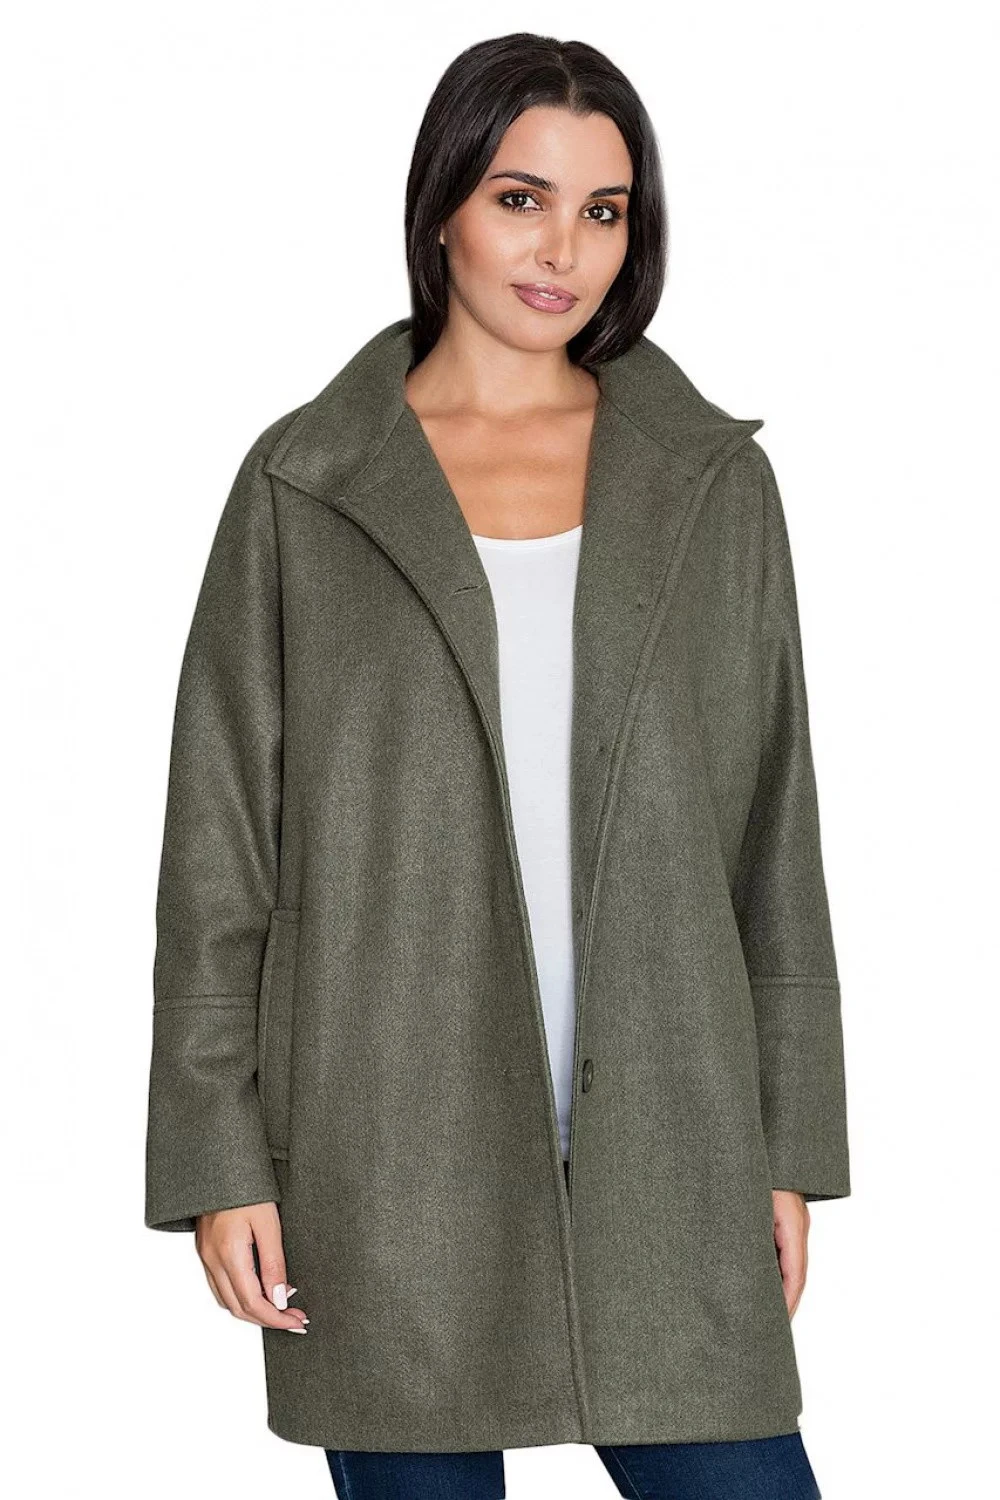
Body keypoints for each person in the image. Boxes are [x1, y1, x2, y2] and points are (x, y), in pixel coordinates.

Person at [145, 31, 849, 1500]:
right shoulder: (305, 485)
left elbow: (773, 834)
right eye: (522, 198)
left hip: (672, 1132)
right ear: (443, 205)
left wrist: (788, 1144)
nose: (563, 251)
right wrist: (220, 1157)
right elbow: (220, 851)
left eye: (605, 211)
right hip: (382, 1149)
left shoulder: (712, 482)